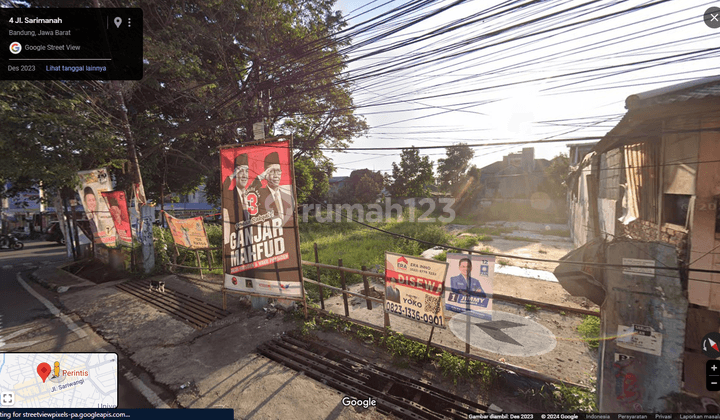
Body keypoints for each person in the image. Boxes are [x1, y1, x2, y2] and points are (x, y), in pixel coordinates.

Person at [257, 152, 293, 224]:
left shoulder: (288, 198)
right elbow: (246, 194)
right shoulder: (259, 195)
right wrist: (260, 177)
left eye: (278, 171)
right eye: (272, 172)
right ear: (265, 174)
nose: (276, 176)